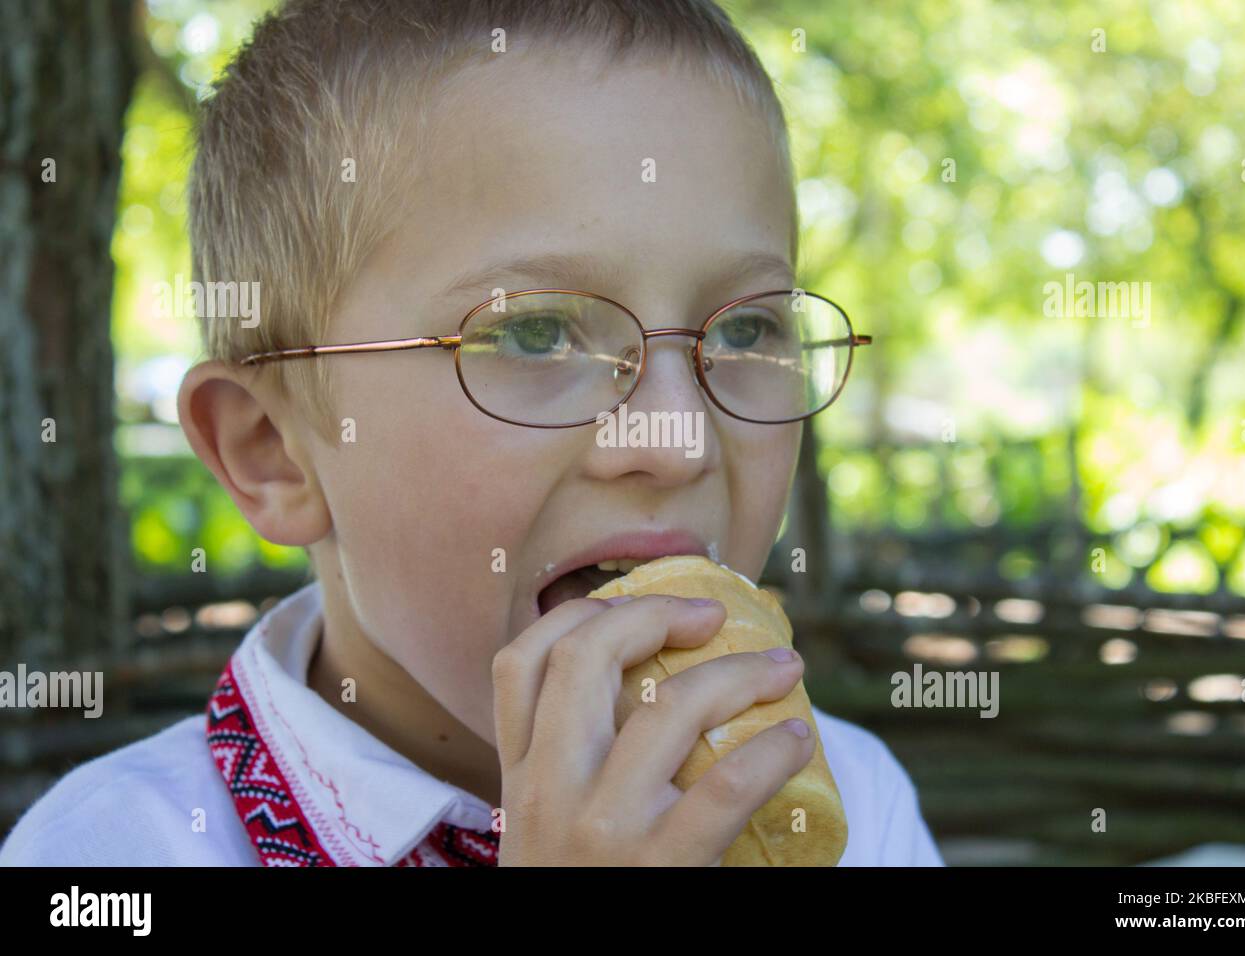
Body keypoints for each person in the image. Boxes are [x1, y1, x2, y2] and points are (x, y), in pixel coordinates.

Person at [1, 0, 942, 867]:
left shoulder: (847, 806)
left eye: (743, 329)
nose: (677, 438)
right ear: (272, 451)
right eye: (534, 333)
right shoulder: (112, 852)